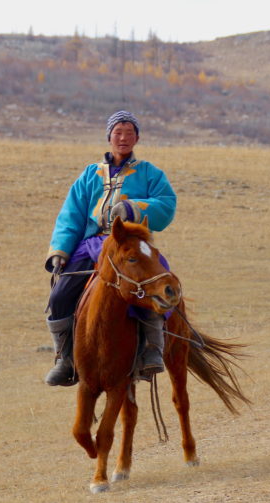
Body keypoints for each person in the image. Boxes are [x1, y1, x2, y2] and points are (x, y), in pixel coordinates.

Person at [43, 110, 177, 386]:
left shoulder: (150, 174)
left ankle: (153, 348)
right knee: (59, 296)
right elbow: (72, 214)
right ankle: (65, 358)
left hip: (131, 243)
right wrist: (59, 250)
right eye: (118, 132)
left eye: (129, 132)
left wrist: (133, 208)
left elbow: (166, 205)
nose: (123, 138)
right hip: (92, 244)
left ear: (137, 138)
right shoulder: (90, 175)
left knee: (153, 282)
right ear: (109, 137)